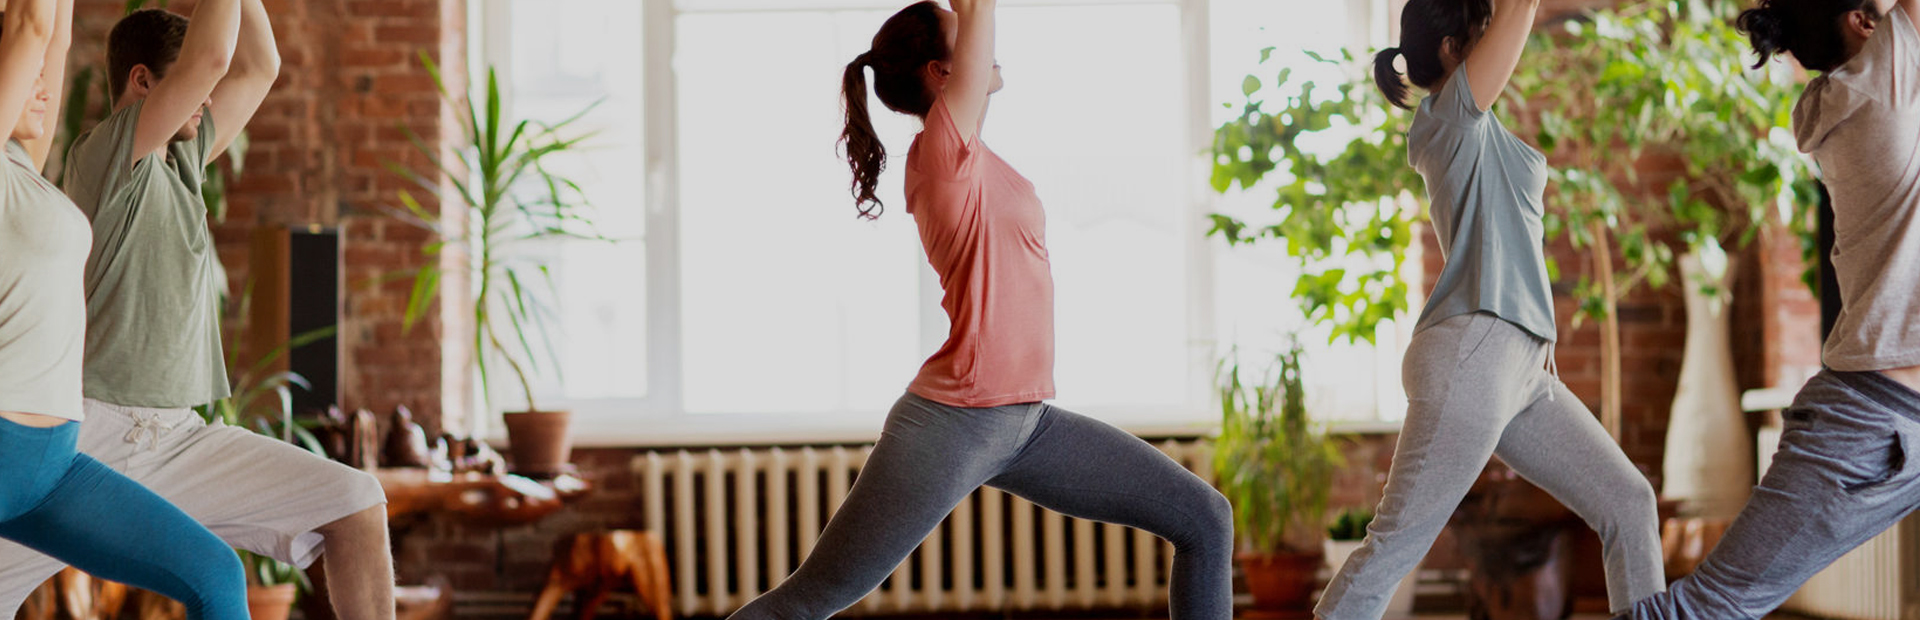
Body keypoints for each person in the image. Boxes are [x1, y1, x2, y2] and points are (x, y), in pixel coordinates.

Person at [724, 2, 1234, 618]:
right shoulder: (943, 149)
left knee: (1205, 519)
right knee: (806, 602)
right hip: (954, 423)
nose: (986, 43)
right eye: (966, 38)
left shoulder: (966, 151)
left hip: (1027, 424)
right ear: (941, 72)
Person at [0, 2, 394, 618]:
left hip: (178, 435)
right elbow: (212, 61)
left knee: (355, 503)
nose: (207, 100)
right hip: (93, 432)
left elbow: (258, 66)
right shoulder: (108, 156)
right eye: (193, 89)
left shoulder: (183, 164)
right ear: (142, 83)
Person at [1315, 0, 1666, 617]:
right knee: (1394, 546)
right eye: (1482, 34)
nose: (1496, 45)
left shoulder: (1479, 128)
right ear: (1454, 48)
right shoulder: (1448, 120)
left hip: (1524, 369)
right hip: (1474, 350)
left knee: (1628, 502)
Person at [1622, 0, 1920, 616]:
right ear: (1867, 25)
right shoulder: (1882, 86)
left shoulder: (1842, 99)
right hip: (1870, 423)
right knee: (1703, 607)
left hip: (1884, 410)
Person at [0, 0, 247, 616]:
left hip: (49, 467)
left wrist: (52, 26)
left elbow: (49, 36)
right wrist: (32, 28)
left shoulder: (23, 170)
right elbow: (31, 26)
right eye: (24, 72)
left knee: (216, 575)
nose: (43, 85)